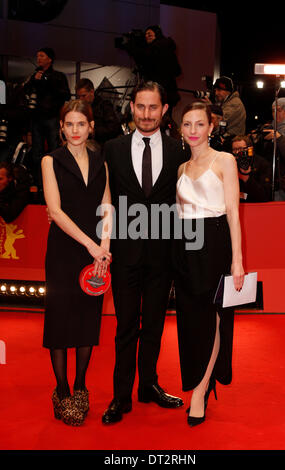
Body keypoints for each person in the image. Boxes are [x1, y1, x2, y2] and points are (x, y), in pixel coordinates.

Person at [102, 81, 187, 425]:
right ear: (132, 107)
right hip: (124, 253)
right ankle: (120, 396)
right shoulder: (112, 148)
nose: (147, 114)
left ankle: (148, 385)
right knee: (125, 326)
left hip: (162, 254)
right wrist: (104, 245)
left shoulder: (179, 149)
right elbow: (105, 200)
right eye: (141, 107)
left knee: (153, 324)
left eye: (154, 107)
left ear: (164, 110)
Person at [41, 99, 112, 426]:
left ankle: (81, 385)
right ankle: (62, 389)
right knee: (60, 319)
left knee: (87, 319)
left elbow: (107, 207)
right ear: (61, 128)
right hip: (63, 251)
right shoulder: (50, 161)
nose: (74, 130)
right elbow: (55, 212)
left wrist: (105, 247)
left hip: (96, 254)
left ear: (91, 126)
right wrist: (91, 245)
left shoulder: (102, 161)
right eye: (68, 124)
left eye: (80, 124)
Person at [173, 101, 244, 426]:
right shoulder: (181, 169)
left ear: (211, 127)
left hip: (215, 243)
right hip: (185, 247)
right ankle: (201, 380)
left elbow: (233, 212)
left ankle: (200, 391)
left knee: (214, 317)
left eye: (199, 124)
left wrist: (238, 260)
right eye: (187, 124)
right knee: (190, 321)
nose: (193, 131)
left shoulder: (225, 160)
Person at [23, 47, 71, 189]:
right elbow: (26, 90)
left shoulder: (58, 76)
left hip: (52, 117)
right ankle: (39, 182)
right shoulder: (35, 75)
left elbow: (65, 95)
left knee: (54, 149)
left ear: (50, 59)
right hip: (37, 118)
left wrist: (45, 80)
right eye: (37, 55)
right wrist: (35, 81)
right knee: (37, 152)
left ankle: (56, 181)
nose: (38, 58)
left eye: (42, 55)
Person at [258, 97, 285, 180]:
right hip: (266, 178)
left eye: (279, 110)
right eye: (273, 110)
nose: (275, 113)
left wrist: (279, 138)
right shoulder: (267, 128)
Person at [75, 78, 122, 147]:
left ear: (91, 92)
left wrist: (93, 131)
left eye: (83, 96)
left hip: (103, 147)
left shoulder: (104, 106)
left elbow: (113, 128)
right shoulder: (81, 109)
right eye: (79, 96)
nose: (80, 99)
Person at [231, 135, 272, 202]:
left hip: (256, 205)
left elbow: (264, 196)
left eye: (241, 149)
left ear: (250, 149)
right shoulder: (231, 163)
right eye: (235, 149)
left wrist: (246, 178)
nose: (237, 152)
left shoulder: (262, 164)